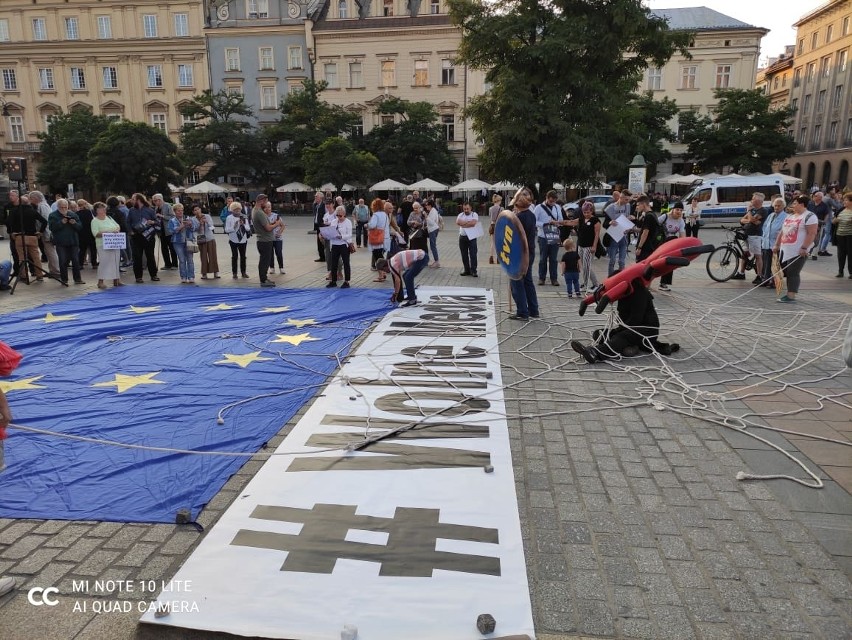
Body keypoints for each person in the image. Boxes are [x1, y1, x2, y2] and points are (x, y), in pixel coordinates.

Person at [570, 278, 679, 363]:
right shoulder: (625, 294)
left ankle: (596, 354)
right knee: (599, 333)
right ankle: (627, 347)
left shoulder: (640, 293)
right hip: (631, 328)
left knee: (621, 336)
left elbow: (635, 320)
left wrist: (619, 331)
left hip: (646, 331)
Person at [773, 195, 819, 303]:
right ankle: (789, 292)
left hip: (798, 250)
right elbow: (782, 231)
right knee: (786, 271)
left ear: (802, 204)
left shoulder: (810, 216)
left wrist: (804, 247)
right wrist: (777, 244)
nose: (793, 205)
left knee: (793, 272)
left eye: (795, 203)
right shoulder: (790, 216)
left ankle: (791, 295)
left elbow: (812, 233)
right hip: (785, 249)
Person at [508, 188, 540, 320]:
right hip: (530, 252)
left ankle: (522, 312)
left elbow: (511, 237)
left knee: (517, 282)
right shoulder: (531, 215)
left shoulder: (518, 218)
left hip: (519, 254)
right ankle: (533, 310)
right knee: (528, 281)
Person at [48, 198, 85, 285]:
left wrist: (74, 223)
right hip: (61, 242)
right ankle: (64, 279)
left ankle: (78, 279)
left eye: (65, 207)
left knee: (75, 260)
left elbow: (80, 227)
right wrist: (61, 223)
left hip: (73, 241)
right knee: (63, 261)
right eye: (62, 207)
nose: (64, 209)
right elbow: (52, 228)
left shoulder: (73, 214)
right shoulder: (53, 215)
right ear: (58, 207)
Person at [127, 193, 160, 284]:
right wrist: (130, 231)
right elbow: (128, 222)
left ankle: (154, 275)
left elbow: (157, 222)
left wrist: (152, 221)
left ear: (139, 200)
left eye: (133, 199)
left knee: (150, 256)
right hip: (136, 236)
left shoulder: (150, 210)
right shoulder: (131, 210)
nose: (132, 200)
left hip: (148, 235)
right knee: (137, 257)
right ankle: (138, 277)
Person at [91, 201, 124, 289]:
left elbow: (117, 226)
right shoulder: (95, 221)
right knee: (104, 262)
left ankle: (116, 280)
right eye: (101, 208)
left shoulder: (109, 217)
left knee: (116, 261)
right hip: (102, 244)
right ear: (96, 210)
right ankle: (100, 281)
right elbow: (95, 233)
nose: (103, 210)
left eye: (104, 208)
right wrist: (107, 232)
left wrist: (117, 230)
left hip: (114, 242)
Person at [534, 190, 564, 286]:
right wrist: (546, 223)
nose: (552, 203)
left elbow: (561, 220)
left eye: (554, 201)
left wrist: (557, 222)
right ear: (546, 198)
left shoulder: (557, 207)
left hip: (554, 234)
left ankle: (554, 279)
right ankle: (541, 278)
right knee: (543, 258)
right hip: (543, 235)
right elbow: (534, 221)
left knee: (553, 259)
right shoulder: (539, 208)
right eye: (550, 201)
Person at [251, 194, 280, 288]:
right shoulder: (259, 212)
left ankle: (264, 278)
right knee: (264, 261)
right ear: (261, 201)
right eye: (266, 201)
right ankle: (263, 280)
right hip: (265, 240)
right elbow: (267, 228)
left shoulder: (255, 210)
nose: (266, 204)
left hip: (262, 239)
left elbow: (264, 225)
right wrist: (277, 224)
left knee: (264, 260)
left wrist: (272, 223)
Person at [656, 202, 686, 291]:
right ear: (673, 210)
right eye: (677, 209)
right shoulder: (665, 217)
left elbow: (682, 234)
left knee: (670, 262)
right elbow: (654, 225)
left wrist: (683, 246)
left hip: (671, 243)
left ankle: (664, 283)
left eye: (681, 210)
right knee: (656, 263)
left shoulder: (681, 221)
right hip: (660, 241)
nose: (679, 212)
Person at [759, 198, 787, 287]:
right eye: (775, 205)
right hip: (767, 243)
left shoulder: (786, 216)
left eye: (779, 206)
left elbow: (784, 230)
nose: (776, 207)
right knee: (767, 263)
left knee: (775, 263)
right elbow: (764, 226)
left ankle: (775, 281)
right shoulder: (771, 215)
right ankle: (765, 279)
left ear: (783, 206)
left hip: (777, 243)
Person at [168, 203, 198, 284]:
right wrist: (180, 227)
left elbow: (195, 228)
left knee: (190, 260)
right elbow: (170, 231)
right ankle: (183, 277)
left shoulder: (188, 218)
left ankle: (191, 276)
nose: (181, 212)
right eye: (178, 211)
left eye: (182, 210)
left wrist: (191, 225)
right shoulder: (172, 220)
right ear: (174, 212)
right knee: (182, 260)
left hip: (189, 241)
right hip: (177, 242)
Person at [604, 190, 631, 276]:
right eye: (626, 199)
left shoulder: (628, 206)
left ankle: (621, 277)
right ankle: (610, 278)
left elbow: (628, 219)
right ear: (621, 197)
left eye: (628, 200)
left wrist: (630, 219)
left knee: (622, 261)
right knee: (612, 260)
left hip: (624, 236)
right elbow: (605, 223)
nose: (627, 202)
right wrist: (610, 223)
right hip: (614, 236)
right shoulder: (611, 207)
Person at [327, 206, 353, 289]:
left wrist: (341, 236)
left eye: (341, 216)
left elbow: (349, 234)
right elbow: (330, 232)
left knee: (346, 263)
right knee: (333, 263)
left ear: (344, 214)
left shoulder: (348, 222)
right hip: (335, 244)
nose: (339, 217)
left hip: (344, 245)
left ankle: (347, 281)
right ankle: (333, 281)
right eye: (337, 215)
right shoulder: (334, 222)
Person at [576, 202, 600, 291]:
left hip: (589, 246)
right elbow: (570, 222)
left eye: (588, 212)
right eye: (584, 212)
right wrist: (558, 222)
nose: (586, 214)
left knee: (587, 266)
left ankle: (595, 284)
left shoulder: (596, 220)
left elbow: (597, 235)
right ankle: (585, 283)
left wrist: (594, 246)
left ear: (592, 211)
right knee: (584, 266)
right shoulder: (581, 219)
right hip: (581, 246)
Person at [193, 204, 220, 280]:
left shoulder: (207, 216)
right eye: (195, 210)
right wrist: (200, 224)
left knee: (213, 255)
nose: (197, 211)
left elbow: (212, 226)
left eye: (198, 209)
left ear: (200, 209)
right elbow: (194, 229)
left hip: (210, 238)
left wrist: (206, 222)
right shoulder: (193, 219)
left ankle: (215, 272)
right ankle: (204, 273)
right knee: (203, 256)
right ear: (193, 212)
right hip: (201, 238)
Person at [224, 201, 251, 279]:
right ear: (232, 210)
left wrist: (243, 225)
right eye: (235, 210)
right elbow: (227, 230)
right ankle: (234, 273)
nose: (238, 211)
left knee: (243, 256)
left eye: (239, 209)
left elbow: (248, 228)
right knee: (234, 256)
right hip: (233, 240)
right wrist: (234, 227)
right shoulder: (229, 218)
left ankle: (243, 272)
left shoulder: (244, 216)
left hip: (243, 239)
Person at [152, 193, 177, 270]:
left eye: (157, 200)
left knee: (172, 248)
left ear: (161, 199)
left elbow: (173, 217)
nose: (156, 202)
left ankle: (175, 265)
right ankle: (167, 264)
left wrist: (162, 216)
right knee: (164, 248)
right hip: (161, 231)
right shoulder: (156, 208)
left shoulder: (168, 206)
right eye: (154, 201)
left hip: (168, 230)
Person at [368, 198, 390, 278]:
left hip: (376, 238)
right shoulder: (385, 214)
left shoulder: (376, 215)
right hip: (384, 237)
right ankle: (383, 272)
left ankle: (381, 274)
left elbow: (372, 225)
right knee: (380, 255)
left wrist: (367, 225)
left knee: (377, 256)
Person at [457, 202, 480, 277]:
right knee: (464, 255)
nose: (466, 210)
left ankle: (474, 271)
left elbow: (473, 223)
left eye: (467, 209)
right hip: (462, 237)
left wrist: (463, 223)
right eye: (464, 209)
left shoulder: (474, 214)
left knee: (473, 254)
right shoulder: (460, 215)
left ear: (471, 208)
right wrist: (468, 223)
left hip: (472, 237)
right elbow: (457, 222)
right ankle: (466, 270)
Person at [634, 195, 659, 262]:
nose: (637, 207)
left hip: (646, 248)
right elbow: (644, 230)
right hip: (650, 246)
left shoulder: (648, 216)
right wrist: (632, 230)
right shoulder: (653, 214)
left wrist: (639, 247)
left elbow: (645, 233)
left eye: (638, 205)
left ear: (644, 204)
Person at [76, 199, 98, 269]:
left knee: (82, 250)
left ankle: (80, 264)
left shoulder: (77, 213)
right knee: (93, 249)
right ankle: (94, 263)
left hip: (81, 234)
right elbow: (92, 222)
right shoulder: (89, 212)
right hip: (90, 233)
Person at [834, 192, 852, 278]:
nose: (844, 201)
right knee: (841, 254)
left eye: (846, 200)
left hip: (850, 235)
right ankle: (840, 271)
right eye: (844, 200)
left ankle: (851, 272)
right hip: (840, 234)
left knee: (850, 253)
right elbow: (834, 219)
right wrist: (835, 220)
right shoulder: (841, 210)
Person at [265, 200, 285, 275]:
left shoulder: (276, 216)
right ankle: (272, 268)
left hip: (277, 238)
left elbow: (282, 225)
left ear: (271, 207)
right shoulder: (263, 217)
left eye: (269, 207)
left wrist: (279, 232)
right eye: (266, 207)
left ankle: (281, 267)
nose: (267, 209)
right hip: (268, 238)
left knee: (279, 252)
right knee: (270, 254)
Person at [425, 199, 442, 268]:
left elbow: (431, 223)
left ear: (430, 205)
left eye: (426, 205)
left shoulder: (433, 211)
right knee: (432, 246)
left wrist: (426, 216)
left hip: (433, 230)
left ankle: (437, 261)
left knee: (433, 246)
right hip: (434, 229)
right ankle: (436, 261)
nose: (425, 206)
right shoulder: (433, 210)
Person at [312, 191, 326, 262]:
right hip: (317, 226)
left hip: (323, 226)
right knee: (319, 242)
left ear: (321, 198)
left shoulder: (324, 205)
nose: (315, 197)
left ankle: (326, 256)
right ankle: (322, 257)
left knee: (323, 242)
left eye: (316, 196)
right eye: (315, 196)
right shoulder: (316, 205)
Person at [488, 194, 503, 264]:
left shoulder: (490, 208)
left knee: (492, 243)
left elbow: (490, 217)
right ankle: (498, 259)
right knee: (498, 243)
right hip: (499, 226)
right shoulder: (501, 209)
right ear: (498, 201)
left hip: (492, 225)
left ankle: (491, 258)